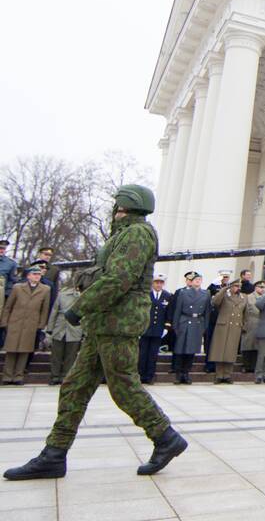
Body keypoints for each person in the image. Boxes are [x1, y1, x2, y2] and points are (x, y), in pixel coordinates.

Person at [4, 185, 187, 480]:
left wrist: (80, 307)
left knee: (124, 387)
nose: (115, 210)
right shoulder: (122, 234)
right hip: (104, 323)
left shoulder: (137, 233)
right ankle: (54, 454)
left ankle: (165, 437)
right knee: (74, 388)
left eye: (118, 205)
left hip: (119, 324)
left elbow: (118, 279)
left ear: (127, 206)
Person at [2, 265, 52, 384]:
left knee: (25, 350)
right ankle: (8, 376)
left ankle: (19, 376)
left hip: (31, 323)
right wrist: (5, 321)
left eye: (39, 274)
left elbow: (44, 309)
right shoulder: (18, 287)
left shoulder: (45, 289)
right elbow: (8, 306)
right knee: (11, 350)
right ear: (28, 276)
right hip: (15, 321)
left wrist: (41, 324)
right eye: (34, 274)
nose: (37, 276)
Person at [171, 272, 209, 384]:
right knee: (180, 349)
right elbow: (178, 310)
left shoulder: (206, 293)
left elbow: (207, 312)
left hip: (197, 323)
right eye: (195, 279)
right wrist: (176, 325)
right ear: (191, 282)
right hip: (185, 321)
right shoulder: (183, 293)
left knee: (191, 350)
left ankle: (186, 373)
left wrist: (204, 326)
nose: (198, 281)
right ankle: (178, 374)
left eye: (199, 279)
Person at [46, 274, 84, 385]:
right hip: (60, 327)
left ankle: (66, 376)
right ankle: (55, 376)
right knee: (56, 354)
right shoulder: (62, 295)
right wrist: (50, 329)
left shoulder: (84, 296)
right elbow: (54, 312)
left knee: (71, 355)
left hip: (75, 328)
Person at [208, 277, 247, 384]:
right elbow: (215, 302)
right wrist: (224, 289)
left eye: (239, 286)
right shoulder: (225, 295)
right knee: (220, 351)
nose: (238, 288)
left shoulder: (243, 297)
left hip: (235, 327)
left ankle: (227, 375)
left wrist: (244, 325)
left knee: (231, 351)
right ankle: (219, 375)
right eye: (235, 286)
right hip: (223, 326)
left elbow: (245, 313)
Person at [138, 274, 172, 385]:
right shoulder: (146, 294)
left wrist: (166, 327)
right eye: (156, 282)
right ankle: (141, 375)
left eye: (161, 282)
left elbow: (169, 313)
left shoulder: (167, 296)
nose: (158, 284)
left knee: (153, 354)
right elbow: (140, 311)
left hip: (158, 329)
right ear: (152, 283)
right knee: (143, 354)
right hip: (145, 328)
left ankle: (150, 376)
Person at [203, 270, 230, 373]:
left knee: (220, 344)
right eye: (223, 277)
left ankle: (217, 365)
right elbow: (210, 294)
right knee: (210, 344)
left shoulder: (229, 288)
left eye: (227, 277)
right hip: (213, 319)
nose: (225, 279)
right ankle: (209, 365)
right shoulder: (213, 287)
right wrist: (214, 284)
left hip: (223, 320)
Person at [239, 279, 263, 373]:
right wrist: (243, 323)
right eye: (260, 287)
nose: (262, 289)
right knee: (247, 345)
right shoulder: (248, 297)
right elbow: (243, 310)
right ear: (255, 287)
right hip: (250, 322)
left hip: (261, 324)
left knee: (257, 346)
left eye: (263, 287)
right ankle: (246, 365)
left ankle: (254, 366)